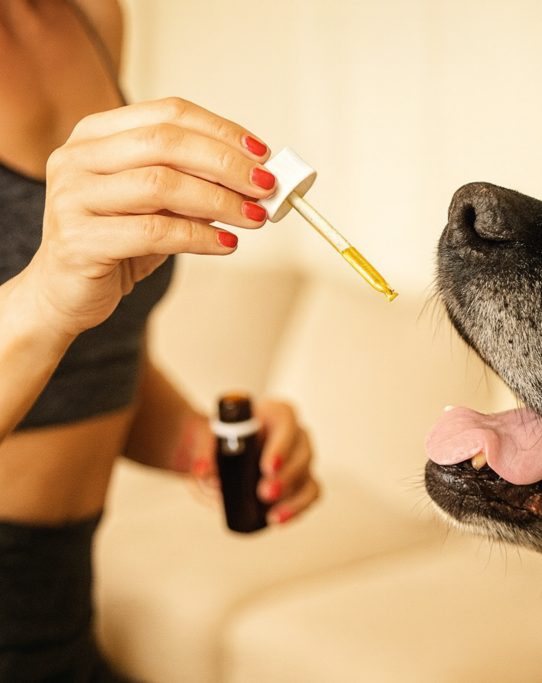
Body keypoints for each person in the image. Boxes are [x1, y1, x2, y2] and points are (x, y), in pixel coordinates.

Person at [0, 0, 321, 680]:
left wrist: (202, 444)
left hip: (59, 614)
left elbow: (94, 358)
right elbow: (50, 307)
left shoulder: (92, 16)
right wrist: (44, 293)